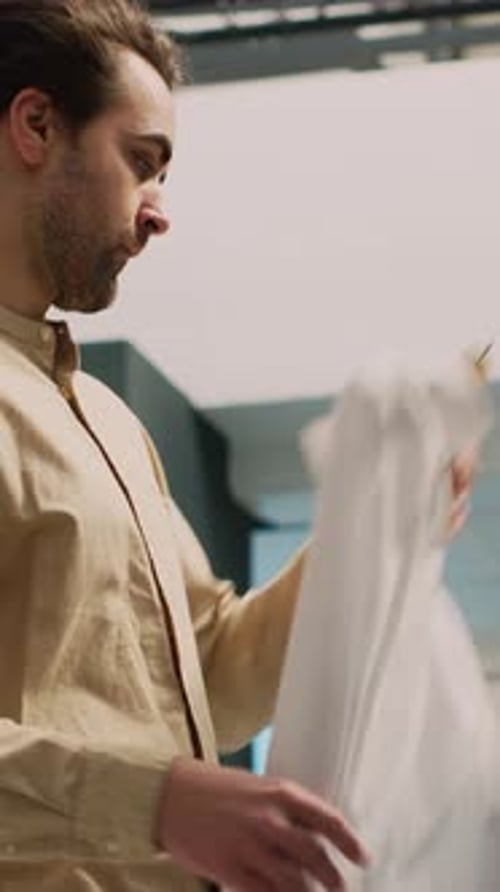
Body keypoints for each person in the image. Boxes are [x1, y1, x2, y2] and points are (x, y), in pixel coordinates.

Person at [0, 2, 473, 890]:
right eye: (141, 162)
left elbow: (208, 675)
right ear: (36, 126)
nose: (158, 214)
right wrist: (157, 803)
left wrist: (375, 534)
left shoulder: (105, 419)